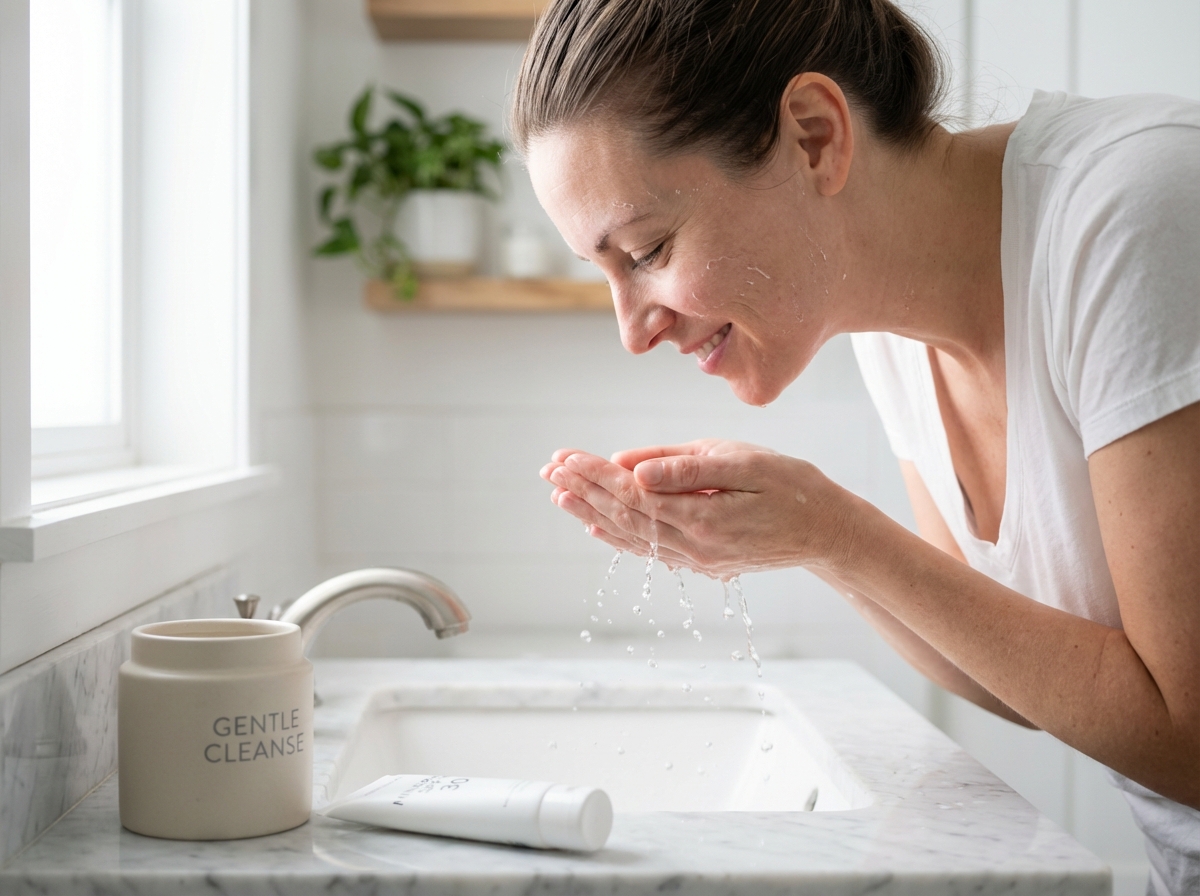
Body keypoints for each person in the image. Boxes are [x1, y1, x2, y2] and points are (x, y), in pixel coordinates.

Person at [513, 0, 1200, 893]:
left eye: (647, 248)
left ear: (812, 136)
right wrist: (803, 542)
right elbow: (1013, 684)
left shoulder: (1138, 209)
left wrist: (838, 532)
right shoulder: (887, 325)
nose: (632, 329)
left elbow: (1188, 739)